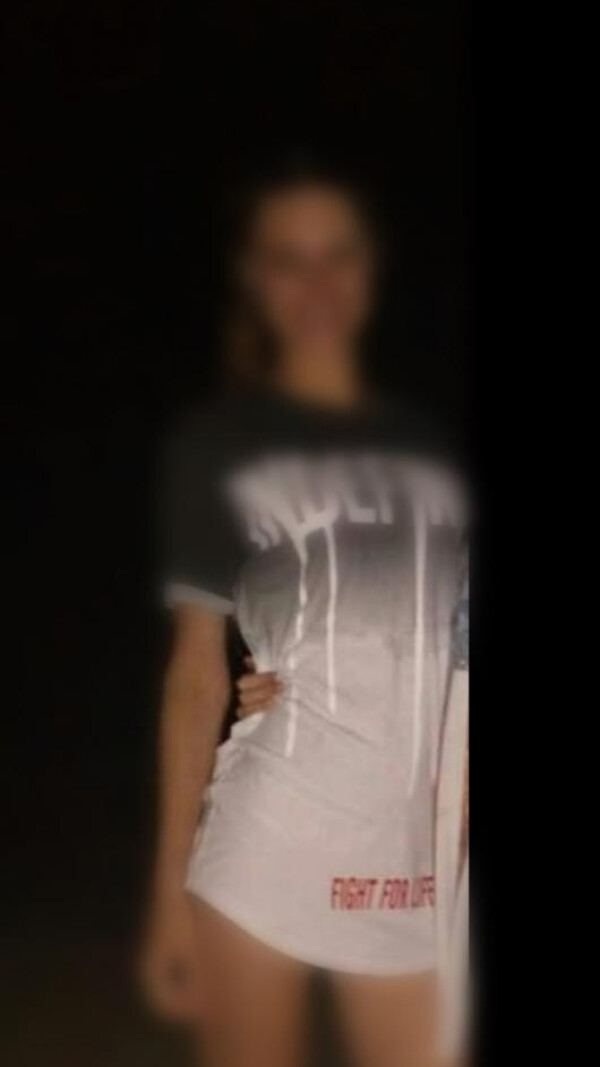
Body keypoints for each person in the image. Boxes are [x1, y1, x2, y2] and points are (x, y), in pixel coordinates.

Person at [141, 153, 468, 1067]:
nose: (317, 283)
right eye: (289, 260)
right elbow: (196, 674)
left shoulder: (437, 443)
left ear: (373, 266)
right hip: (270, 841)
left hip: (418, 864)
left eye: (338, 254)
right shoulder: (219, 445)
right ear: (256, 280)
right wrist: (167, 897)